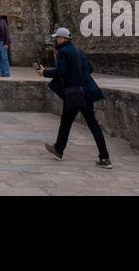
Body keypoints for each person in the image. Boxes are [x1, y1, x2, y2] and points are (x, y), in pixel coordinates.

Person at [38, 27, 112, 169]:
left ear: (62, 39)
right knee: (93, 125)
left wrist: (45, 72)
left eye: (57, 38)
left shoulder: (63, 52)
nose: (56, 41)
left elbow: (61, 71)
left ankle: (59, 150)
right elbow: (90, 68)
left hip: (74, 94)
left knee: (66, 123)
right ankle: (105, 157)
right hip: (87, 92)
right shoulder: (78, 51)